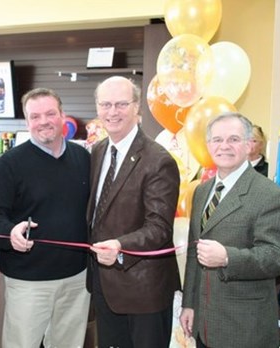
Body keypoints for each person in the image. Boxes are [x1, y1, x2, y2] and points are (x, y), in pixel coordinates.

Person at [0, 87, 91, 348]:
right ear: (27, 121)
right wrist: (10, 233)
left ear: (62, 115)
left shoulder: (84, 158)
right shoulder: (8, 165)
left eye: (50, 113)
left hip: (77, 278)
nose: (44, 121)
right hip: (29, 282)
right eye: (35, 116)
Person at [179, 112, 280, 348]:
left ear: (250, 144)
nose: (224, 146)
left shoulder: (270, 195)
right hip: (203, 324)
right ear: (208, 145)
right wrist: (188, 303)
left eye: (234, 139)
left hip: (245, 327)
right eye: (217, 140)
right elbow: (193, 253)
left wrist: (228, 258)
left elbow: (276, 257)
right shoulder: (201, 192)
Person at [88, 76, 180, 348]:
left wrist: (120, 245)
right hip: (104, 286)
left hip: (144, 290)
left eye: (121, 104)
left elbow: (159, 228)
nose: (112, 112)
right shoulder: (98, 150)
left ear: (136, 107)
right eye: (105, 104)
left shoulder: (159, 160)